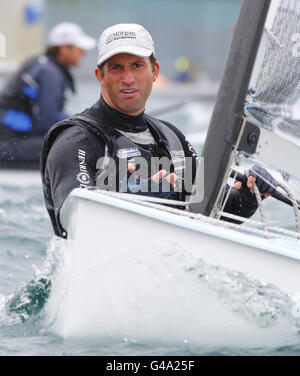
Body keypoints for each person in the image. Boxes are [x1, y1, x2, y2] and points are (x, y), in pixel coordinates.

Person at [40, 23, 277, 238]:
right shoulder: (76, 139)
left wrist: (247, 196)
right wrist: (132, 200)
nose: (128, 78)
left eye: (137, 65)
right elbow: (72, 218)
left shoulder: (172, 137)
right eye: (116, 68)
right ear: (100, 76)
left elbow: (212, 210)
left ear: (154, 72)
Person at [0, 22, 96, 168]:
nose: (83, 53)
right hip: (10, 139)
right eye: (80, 48)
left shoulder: (39, 62)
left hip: (11, 134)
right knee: (67, 146)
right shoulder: (51, 74)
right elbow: (46, 125)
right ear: (65, 48)